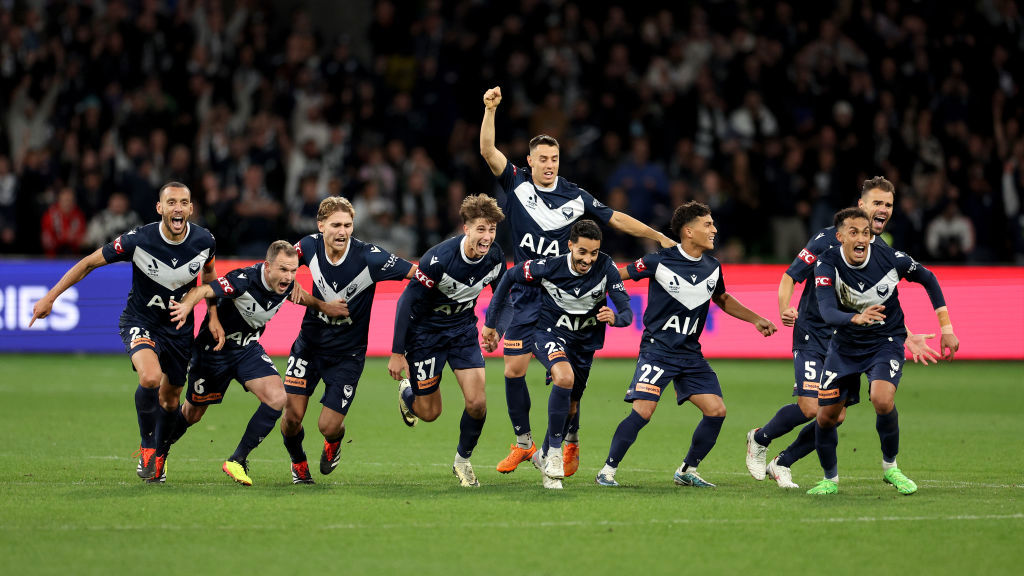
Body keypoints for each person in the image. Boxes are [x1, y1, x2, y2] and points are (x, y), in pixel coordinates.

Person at [480, 86, 676, 476]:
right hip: (526, 289)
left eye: (554, 158)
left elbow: (616, 217)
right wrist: (489, 109)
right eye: (543, 158)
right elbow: (488, 150)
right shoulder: (516, 182)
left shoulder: (576, 196)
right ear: (530, 161)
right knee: (513, 370)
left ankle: (567, 441)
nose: (549, 164)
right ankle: (525, 444)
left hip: (564, 297)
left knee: (567, 375)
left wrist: (657, 236)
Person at [745, 176, 940, 488]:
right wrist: (785, 306)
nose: (883, 210)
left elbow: (878, 301)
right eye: (877, 203)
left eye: (888, 205)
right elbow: (790, 276)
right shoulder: (827, 240)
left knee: (834, 416)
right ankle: (759, 437)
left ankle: (782, 462)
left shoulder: (881, 249)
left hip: (849, 338)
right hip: (814, 331)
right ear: (861, 205)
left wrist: (907, 332)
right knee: (811, 407)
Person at [30, 182, 216, 482]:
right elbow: (90, 262)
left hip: (179, 329)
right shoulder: (139, 239)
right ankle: (147, 447)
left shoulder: (204, 240)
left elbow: (209, 275)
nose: (177, 208)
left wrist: (214, 315)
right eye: (171, 203)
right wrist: (51, 296)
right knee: (150, 377)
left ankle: (160, 452)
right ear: (160, 208)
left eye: (184, 202)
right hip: (140, 320)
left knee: (170, 401)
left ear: (191, 208)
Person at [594, 201, 777, 488]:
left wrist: (755, 319)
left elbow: (723, 299)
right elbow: (617, 277)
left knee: (716, 410)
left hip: (690, 353)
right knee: (643, 411)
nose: (714, 229)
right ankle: (607, 470)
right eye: (708, 224)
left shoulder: (713, 267)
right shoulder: (658, 260)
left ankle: (687, 470)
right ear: (688, 232)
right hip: (658, 350)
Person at [807, 207, 959, 495]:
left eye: (865, 232)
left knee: (881, 398)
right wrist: (855, 317)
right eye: (853, 232)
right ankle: (830, 479)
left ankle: (891, 467)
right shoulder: (826, 264)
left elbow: (929, 279)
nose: (861, 238)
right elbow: (827, 311)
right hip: (844, 345)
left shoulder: (890, 258)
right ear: (840, 237)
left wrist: (947, 328)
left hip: (884, 341)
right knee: (826, 417)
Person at [481, 219, 633, 489]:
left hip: (584, 344)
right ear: (570, 245)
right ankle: (552, 454)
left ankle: (552, 449)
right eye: (582, 252)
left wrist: (616, 317)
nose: (588, 259)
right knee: (563, 377)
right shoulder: (550, 267)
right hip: (549, 333)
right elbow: (510, 276)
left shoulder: (606, 268)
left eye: (594, 253)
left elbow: (627, 312)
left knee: (572, 406)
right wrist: (491, 322)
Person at [280, 196, 415, 483]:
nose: (342, 231)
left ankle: (334, 442)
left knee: (327, 426)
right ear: (321, 226)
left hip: (348, 355)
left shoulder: (371, 257)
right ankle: (298, 462)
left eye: (348, 225)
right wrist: (316, 303)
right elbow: (278, 269)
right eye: (336, 225)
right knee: (291, 419)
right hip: (309, 347)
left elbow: (418, 275)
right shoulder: (307, 246)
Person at [163, 241, 319, 485]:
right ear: (268, 267)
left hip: (247, 350)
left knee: (278, 398)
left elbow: (304, 299)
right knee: (192, 414)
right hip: (213, 351)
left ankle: (237, 460)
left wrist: (327, 307)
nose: (289, 276)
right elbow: (205, 289)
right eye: (283, 270)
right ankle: (157, 450)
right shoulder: (243, 279)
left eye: (293, 270)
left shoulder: (286, 285)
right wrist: (186, 305)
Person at [388, 194, 506, 487]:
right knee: (430, 413)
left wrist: (495, 328)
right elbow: (406, 301)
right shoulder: (438, 259)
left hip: (463, 332)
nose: (487, 237)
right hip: (426, 336)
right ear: (465, 228)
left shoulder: (495, 257)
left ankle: (462, 461)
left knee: (477, 403)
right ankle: (408, 395)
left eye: (491, 229)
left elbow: (504, 299)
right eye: (481, 229)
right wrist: (397, 352)